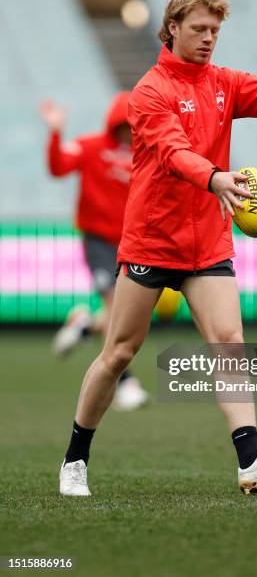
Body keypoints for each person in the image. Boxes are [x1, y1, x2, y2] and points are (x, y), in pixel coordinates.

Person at [58, 0, 257, 496]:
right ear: (172, 28)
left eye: (215, 31)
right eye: (199, 29)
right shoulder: (150, 91)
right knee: (118, 352)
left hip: (207, 242)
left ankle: (250, 459)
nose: (208, 39)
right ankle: (75, 457)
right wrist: (214, 178)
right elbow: (171, 150)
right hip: (152, 240)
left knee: (229, 345)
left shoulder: (223, 82)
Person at [41, 93, 149, 411]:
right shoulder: (89, 147)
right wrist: (55, 132)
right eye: (124, 125)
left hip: (133, 243)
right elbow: (58, 168)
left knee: (129, 312)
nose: (129, 132)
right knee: (118, 309)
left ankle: (84, 325)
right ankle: (126, 383)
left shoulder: (145, 155)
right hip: (100, 242)